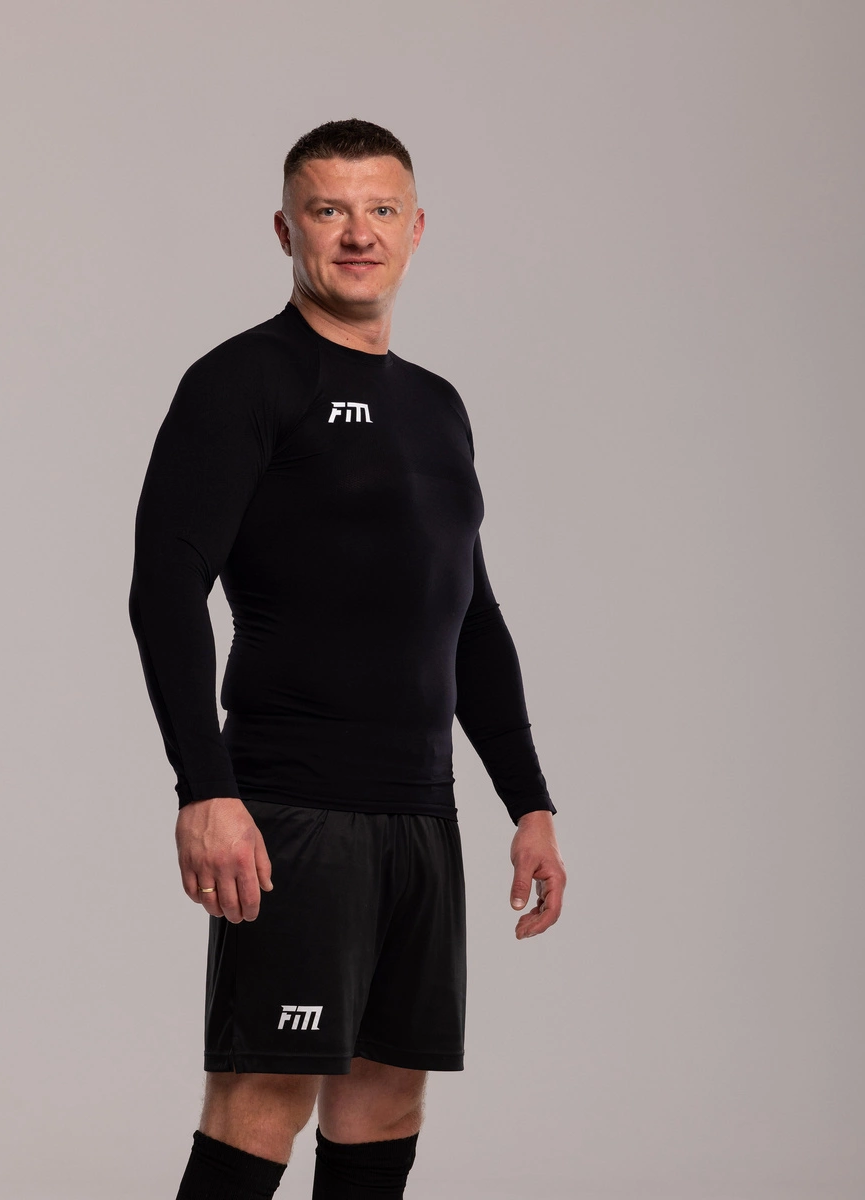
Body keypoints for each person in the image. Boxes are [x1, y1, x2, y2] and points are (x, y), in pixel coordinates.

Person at [129, 118, 567, 1200]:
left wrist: (530, 801)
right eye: (329, 210)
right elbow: (164, 589)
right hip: (294, 814)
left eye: (380, 210)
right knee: (261, 1100)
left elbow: (470, 616)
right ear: (288, 230)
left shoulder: (437, 406)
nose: (357, 233)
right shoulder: (243, 381)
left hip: (420, 812)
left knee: (385, 1102)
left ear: (417, 229)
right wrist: (205, 790)